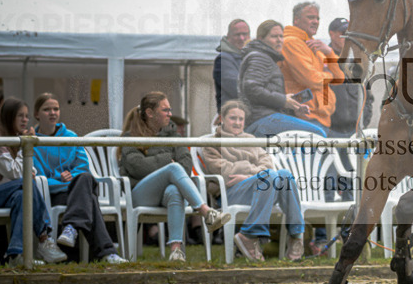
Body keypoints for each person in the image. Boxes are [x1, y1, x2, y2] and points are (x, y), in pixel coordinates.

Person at [118, 91, 230, 262]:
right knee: (172, 168)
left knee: (174, 190)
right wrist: (166, 161)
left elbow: (186, 165)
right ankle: (205, 211)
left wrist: (165, 167)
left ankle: (176, 250)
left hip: (165, 194)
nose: (170, 114)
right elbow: (137, 167)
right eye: (165, 110)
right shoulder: (130, 137)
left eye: (170, 110)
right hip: (140, 195)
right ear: (150, 113)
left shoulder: (174, 137)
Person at [200, 100, 307, 262]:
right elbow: (225, 171)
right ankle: (249, 235)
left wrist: (248, 175)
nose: (237, 123)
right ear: (222, 119)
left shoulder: (251, 140)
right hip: (230, 194)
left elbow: (268, 164)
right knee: (269, 177)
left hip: (261, 189)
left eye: (240, 119)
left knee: (284, 174)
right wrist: (255, 173)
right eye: (232, 118)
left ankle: (296, 236)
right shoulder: (212, 144)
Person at [0, 97, 67, 266]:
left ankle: (15, 254)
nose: (25, 120)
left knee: (22, 195)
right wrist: (25, 148)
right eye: (20, 116)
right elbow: (15, 173)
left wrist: (24, 154)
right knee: (26, 184)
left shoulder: (14, 138)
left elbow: (29, 171)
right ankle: (44, 238)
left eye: (27, 116)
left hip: (0, 192)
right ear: (8, 116)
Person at [31, 93, 126, 264]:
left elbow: (83, 168)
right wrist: (60, 180)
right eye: (47, 109)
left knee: (85, 179)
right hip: (53, 194)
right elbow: (38, 178)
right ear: (37, 114)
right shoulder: (33, 142)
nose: (52, 113)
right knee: (89, 197)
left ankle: (72, 227)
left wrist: (71, 179)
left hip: (75, 190)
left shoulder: (71, 136)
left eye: (56, 109)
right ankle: (107, 252)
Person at [238, 20, 320, 136]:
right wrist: (283, 100)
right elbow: (252, 88)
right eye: (274, 36)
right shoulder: (259, 57)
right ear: (261, 39)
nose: (279, 40)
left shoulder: (265, 57)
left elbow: (264, 97)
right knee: (317, 133)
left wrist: (291, 106)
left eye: (281, 36)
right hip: (261, 119)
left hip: (263, 118)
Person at [281, 2, 345, 137]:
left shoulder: (314, 45)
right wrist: (329, 75)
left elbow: (339, 78)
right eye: (310, 17)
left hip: (321, 118)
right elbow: (311, 79)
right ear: (296, 20)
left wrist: (329, 52)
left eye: (317, 18)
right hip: (305, 117)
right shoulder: (291, 42)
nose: (315, 22)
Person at [328, 17, 374, 135]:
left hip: (355, 131)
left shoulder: (358, 62)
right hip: (330, 131)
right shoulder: (320, 58)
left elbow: (368, 97)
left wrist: (364, 121)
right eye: (343, 33)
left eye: (350, 34)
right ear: (331, 34)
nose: (347, 37)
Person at [214, 18, 251, 112]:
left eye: (245, 34)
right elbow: (237, 89)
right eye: (237, 35)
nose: (242, 38)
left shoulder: (251, 57)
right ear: (228, 36)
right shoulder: (223, 60)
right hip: (233, 115)